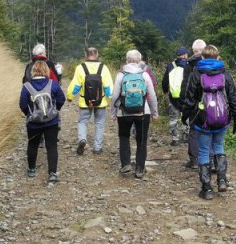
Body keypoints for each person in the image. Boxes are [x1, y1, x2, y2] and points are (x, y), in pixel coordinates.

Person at [183, 44, 236, 200]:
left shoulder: (196, 74)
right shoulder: (225, 75)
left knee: (203, 151)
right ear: (218, 57)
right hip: (222, 119)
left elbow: (189, 99)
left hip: (202, 121)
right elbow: (233, 100)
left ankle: (207, 189)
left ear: (202, 57)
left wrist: (185, 116)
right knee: (218, 146)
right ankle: (222, 180)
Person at [111, 49, 159, 178]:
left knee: (124, 137)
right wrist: (155, 112)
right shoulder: (144, 75)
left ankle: (126, 164)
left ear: (126, 60)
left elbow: (115, 95)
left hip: (123, 112)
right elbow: (152, 96)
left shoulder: (121, 75)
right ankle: (139, 169)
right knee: (141, 140)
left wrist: (113, 112)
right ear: (139, 61)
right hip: (143, 111)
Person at [19, 60, 66, 183]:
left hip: (34, 122)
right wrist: (56, 110)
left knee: (33, 144)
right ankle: (52, 173)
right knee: (51, 146)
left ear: (33, 71)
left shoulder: (27, 86)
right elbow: (62, 99)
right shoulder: (53, 84)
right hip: (51, 121)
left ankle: (31, 169)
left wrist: (29, 114)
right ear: (46, 70)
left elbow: (22, 104)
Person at [66, 47, 113, 155]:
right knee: (99, 123)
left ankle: (82, 139)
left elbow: (75, 85)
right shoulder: (103, 67)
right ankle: (97, 148)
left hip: (85, 102)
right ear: (97, 55)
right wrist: (110, 98)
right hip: (100, 102)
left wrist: (70, 96)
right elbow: (108, 86)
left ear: (86, 55)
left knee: (83, 122)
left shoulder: (80, 67)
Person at [180, 39, 206, 169]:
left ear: (193, 50)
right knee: (209, 131)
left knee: (194, 131)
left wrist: (184, 107)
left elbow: (185, 88)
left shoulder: (188, 65)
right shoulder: (212, 63)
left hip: (194, 105)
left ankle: (194, 160)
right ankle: (210, 160)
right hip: (210, 105)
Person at [161, 46, 189, 146]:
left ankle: (175, 138)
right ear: (185, 55)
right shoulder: (189, 65)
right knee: (186, 116)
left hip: (173, 96)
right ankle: (186, 136)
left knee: (173, 118)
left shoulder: (170, 65)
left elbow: (165, 81)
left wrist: (165, 91)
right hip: (186, 96)